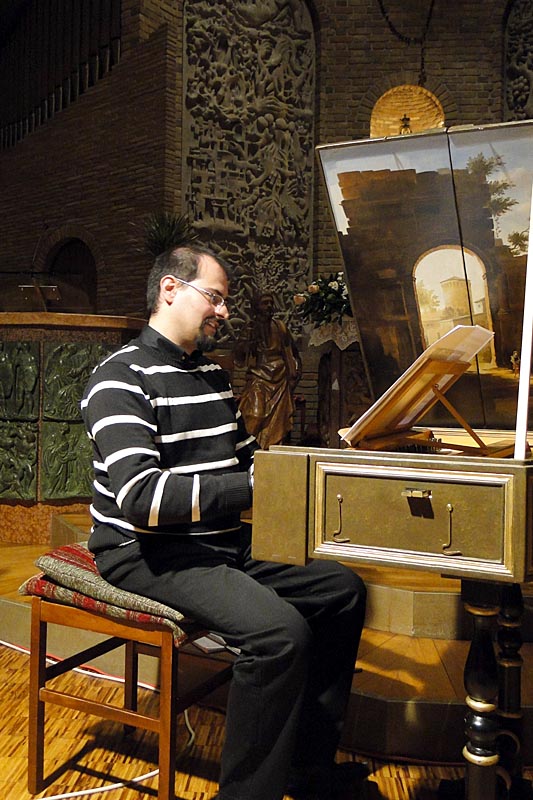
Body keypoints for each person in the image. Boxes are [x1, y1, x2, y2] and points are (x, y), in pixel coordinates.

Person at [81, 244, 367, 800]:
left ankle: (307, 767)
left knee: (342, 590)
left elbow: (247, 458)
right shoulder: (119, 378)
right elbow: (142, 499)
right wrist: (254, 487)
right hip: (145, 551)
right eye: (214, 297)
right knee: (280, 636)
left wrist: (325, 463)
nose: (224, 311)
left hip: (216, 541)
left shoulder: (211, 373)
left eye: (225, 301)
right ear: (170, 289)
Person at [234, 290, 302, 449]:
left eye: (271, 302)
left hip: (280, 378)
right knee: (255, 414)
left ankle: (270, 451)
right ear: (256, 307)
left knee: (279, 421)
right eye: (265, 303)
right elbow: (238, 357)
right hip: (258, 377)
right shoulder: (250, 329)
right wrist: (247, 343)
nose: (269, 306)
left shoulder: (280, 327)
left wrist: (296, 373)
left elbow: (293, 353)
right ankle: (249, 449)